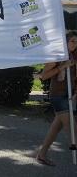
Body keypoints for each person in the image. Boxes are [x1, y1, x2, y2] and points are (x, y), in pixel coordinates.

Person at [36, 31, 77, 166]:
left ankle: (41, 155)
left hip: (69, 96)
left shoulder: (73, 56)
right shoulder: (57, 55)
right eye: (72, 41)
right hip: (58, 96)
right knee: (72, 128)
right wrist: (61, 67)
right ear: (65, 42)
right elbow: (44, 76)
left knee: (55, 128)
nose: (75, 44)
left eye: (76, 42)